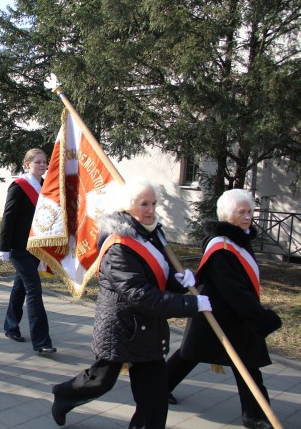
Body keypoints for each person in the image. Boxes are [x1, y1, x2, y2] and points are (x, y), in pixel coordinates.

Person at [50, 180, 212, 429]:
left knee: (155, 400)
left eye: (153, 204)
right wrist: (190, 303)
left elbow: (158, 276)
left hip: (149, 330)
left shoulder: (152, 233)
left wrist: (179, 281)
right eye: (143, 204)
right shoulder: (119, 246)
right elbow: (140, 294)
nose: (150, 210)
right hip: (121, 329)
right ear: (127, 208)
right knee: (100, 381)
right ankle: (64, 396)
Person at [166, 189, 282, 429]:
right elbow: (234, 290)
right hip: (217, 314)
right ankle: (159, 389)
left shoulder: (239, 238)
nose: (248, 216)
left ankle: (254, 414)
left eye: (250, 211)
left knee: (247, 363)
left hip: (234, 315)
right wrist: (260, 317)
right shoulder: (222, 247)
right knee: (190, 355)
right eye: (242, 212)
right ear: (228, 216)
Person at [0, 148, 56, 354]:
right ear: (27, 164)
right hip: (18, 248)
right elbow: (8, 217)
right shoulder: (19, 186)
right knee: (34, 290)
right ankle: (42, 342)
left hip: (35, 247)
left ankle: (10, 326)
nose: (42, 165)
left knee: (20, 287)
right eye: (38, 162)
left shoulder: (44, 186)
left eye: (44, 162)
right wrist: (4, 247)